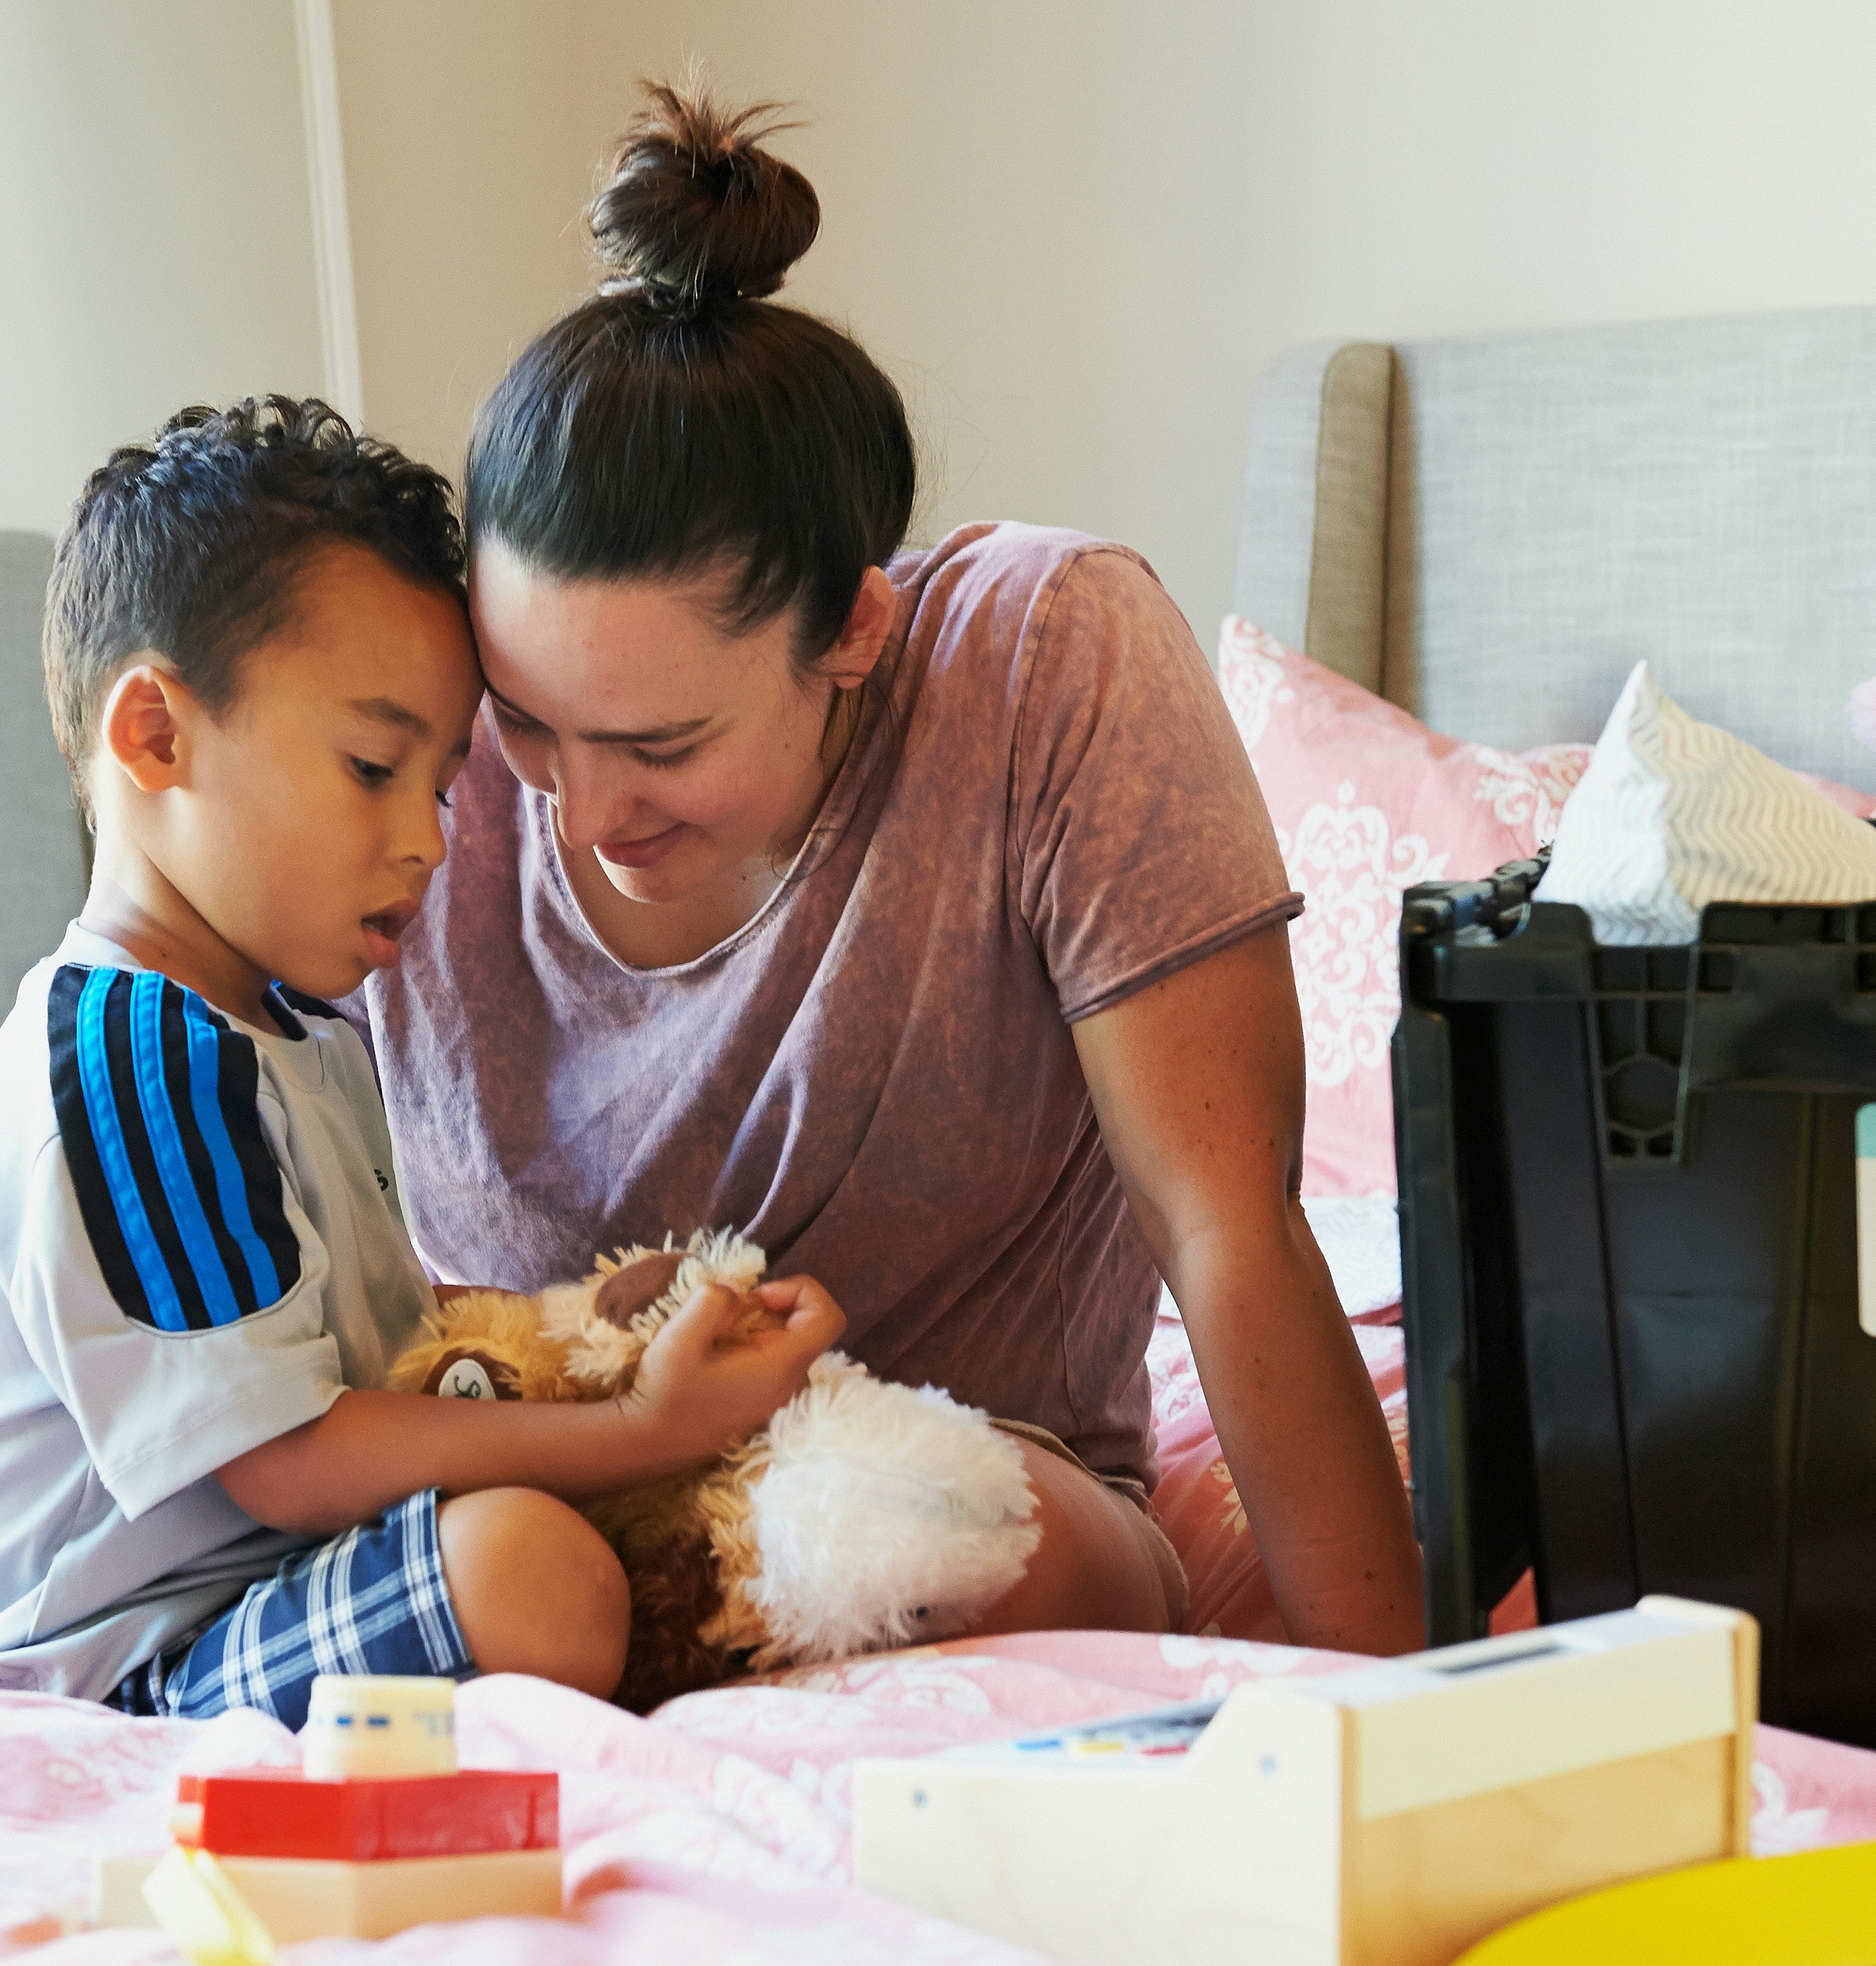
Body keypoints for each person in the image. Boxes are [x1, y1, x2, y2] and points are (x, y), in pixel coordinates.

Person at [358, 87, 1426, 1656]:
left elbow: (1229, 1226)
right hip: (537, 1509)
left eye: (659, 744)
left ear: (854, 632)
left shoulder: (1041, 660)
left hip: (972, 1506)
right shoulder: (409, 748)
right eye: (528, 724)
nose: (579, 813)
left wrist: (1402, 1723)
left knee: (904, 1535)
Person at [0, 397, 842, 1720]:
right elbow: (283, 1452)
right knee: (529, 1565)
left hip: (257, 1591)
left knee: (590, 1544)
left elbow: (345, 1329)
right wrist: (636, 1434)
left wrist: (576, 1330)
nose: (431, 840)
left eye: (440, 784)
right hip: (101, 1673)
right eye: (374, 764)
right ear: (156, 736)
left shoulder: (288, 1035)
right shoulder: (133, 1063)